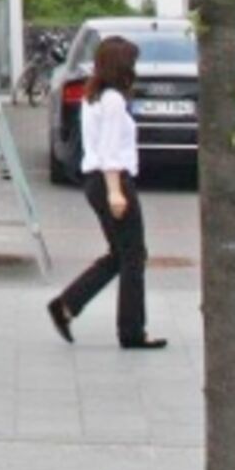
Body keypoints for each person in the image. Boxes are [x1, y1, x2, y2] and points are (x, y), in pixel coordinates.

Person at [48, 35, 167, 349]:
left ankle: (66, 305)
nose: (135, 69)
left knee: (120, 254)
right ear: (120, 66)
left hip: (95, 182)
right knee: (134, 255)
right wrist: (116, 192)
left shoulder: (93, 96)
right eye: (132, 63)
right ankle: (131, 331)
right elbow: (110, 150)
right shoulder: (113, 100)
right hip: (112, 181)